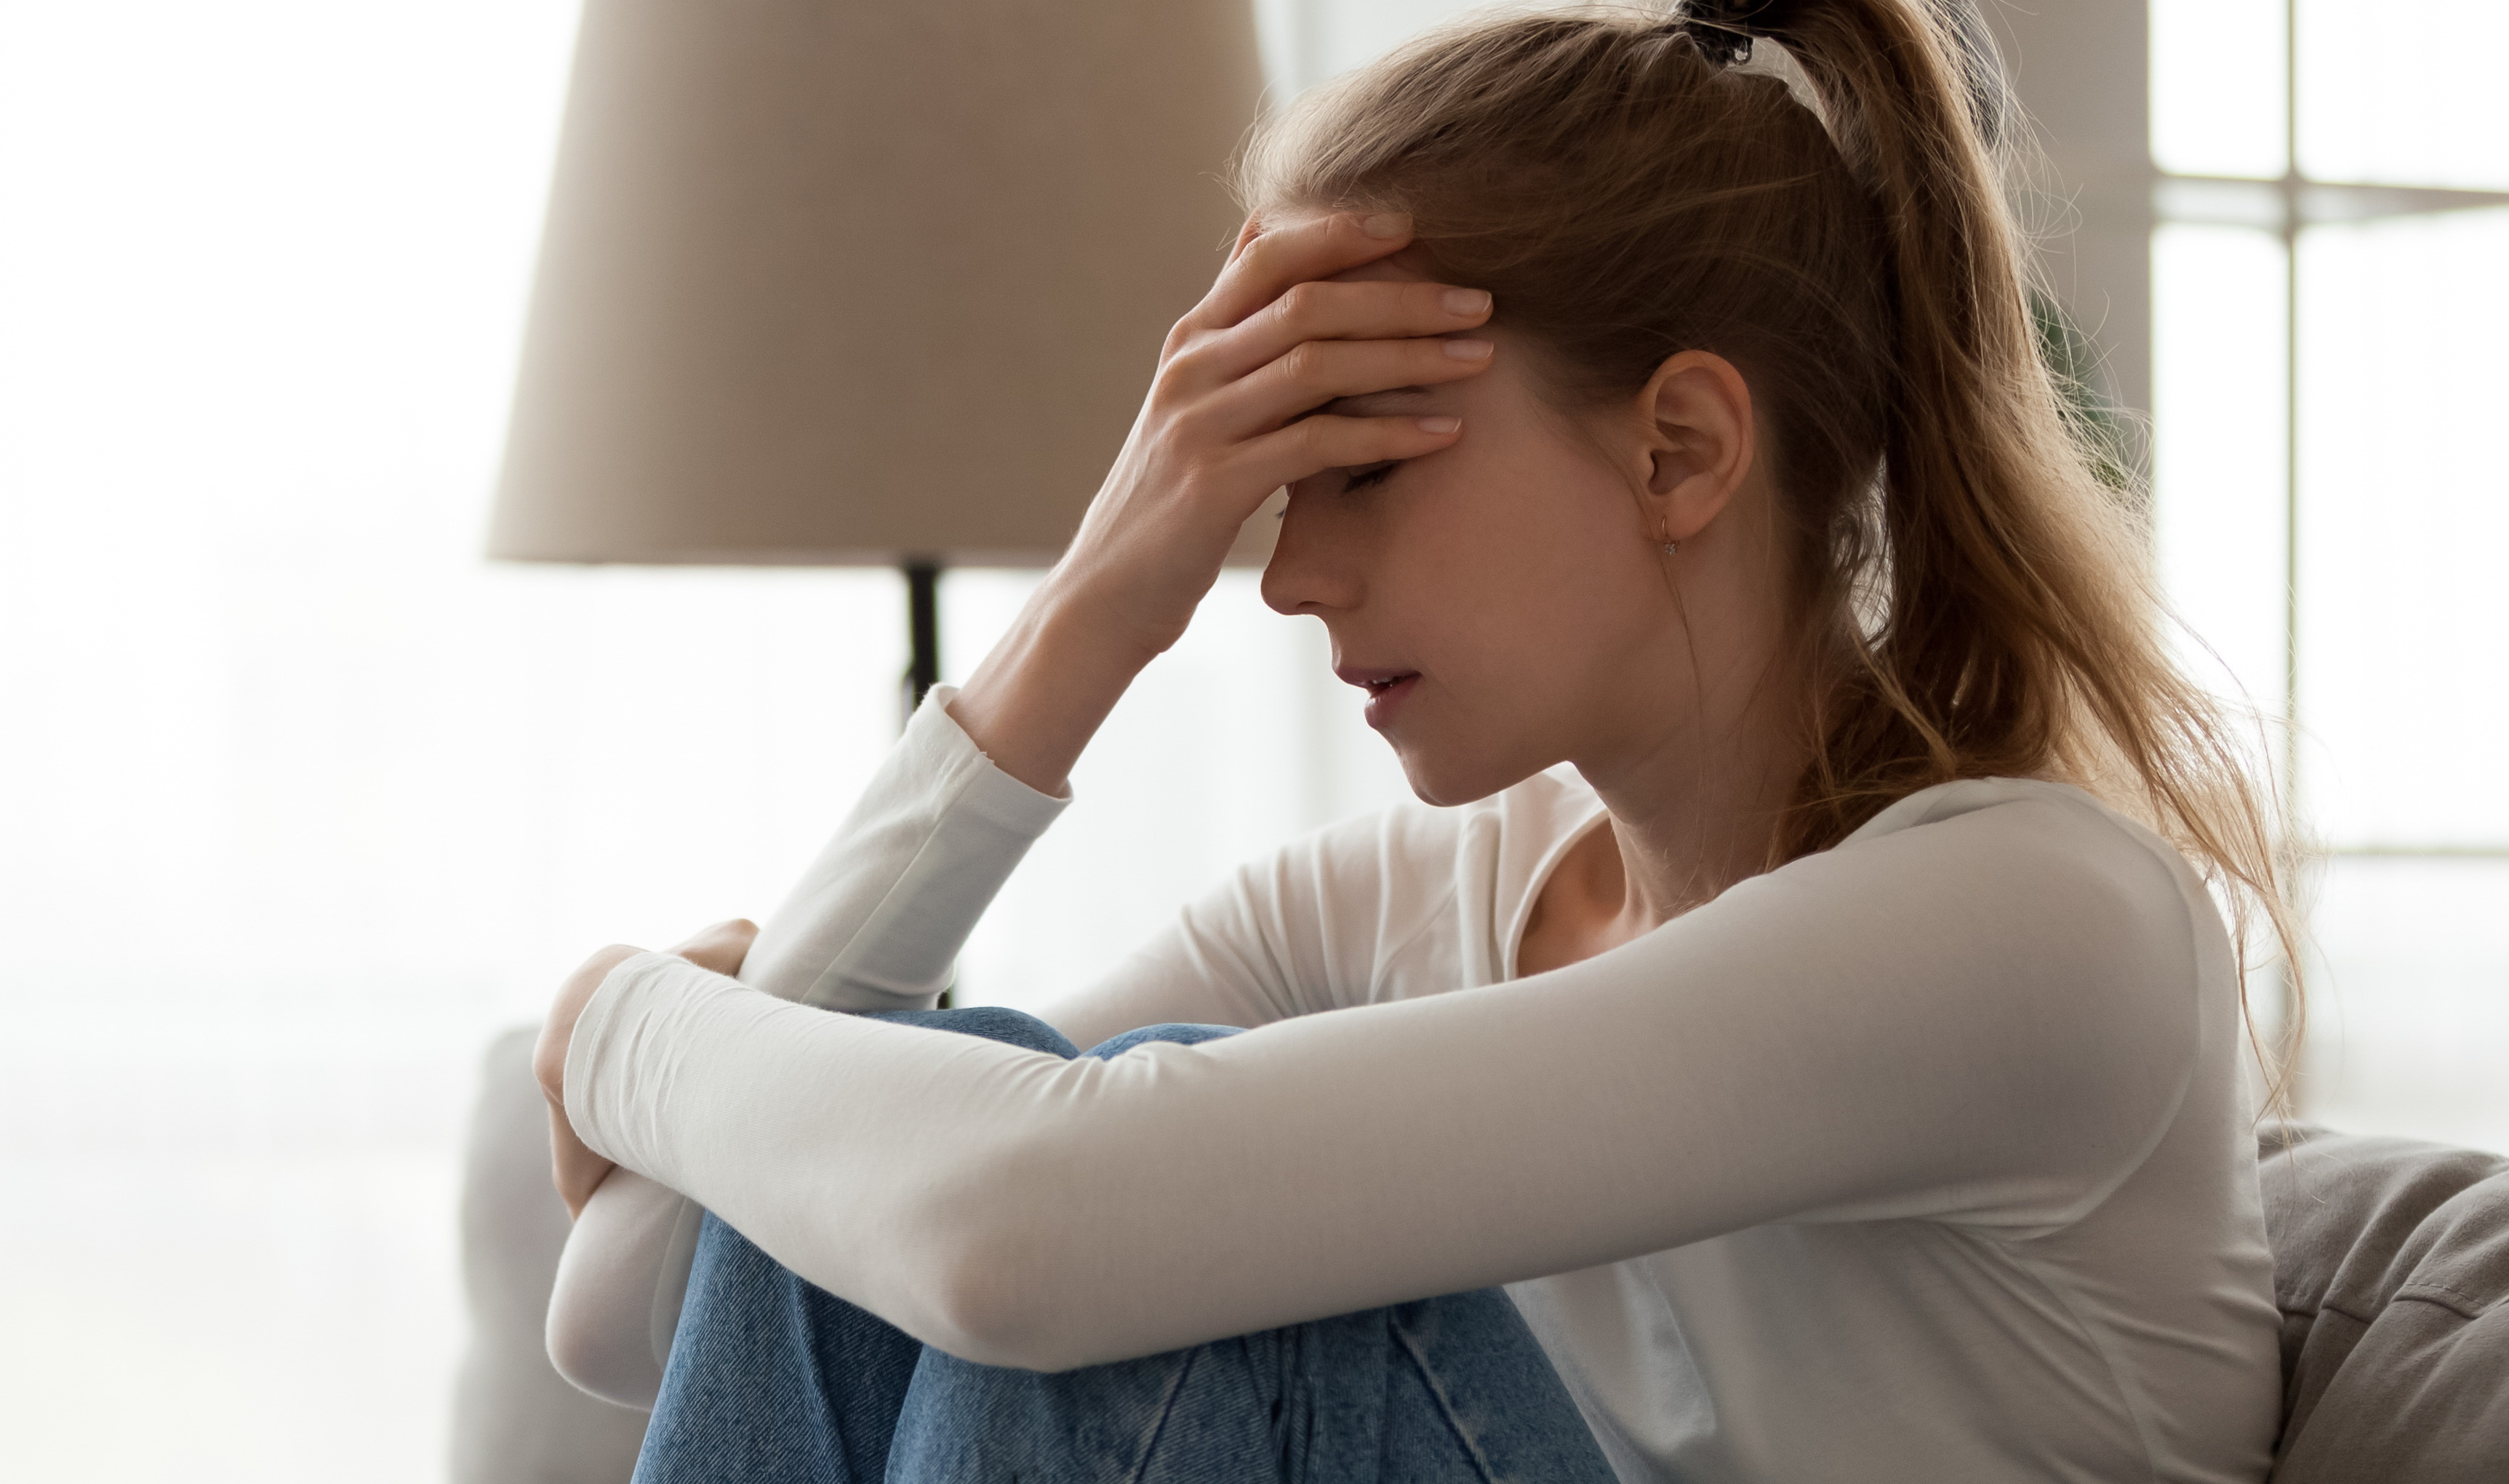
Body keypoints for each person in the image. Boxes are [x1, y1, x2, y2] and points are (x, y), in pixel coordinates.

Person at [532, 1, 2300, 1479]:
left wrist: (632, 1025)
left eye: (1360, 473)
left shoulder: (2026, 923)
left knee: (1154, 1245)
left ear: (1680, 449)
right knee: (962, 1134)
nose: (1287, 578)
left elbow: (1019, 1235)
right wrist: (1091, 609)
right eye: (1263, 495)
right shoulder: (1383, 913)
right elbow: (638, 1307)